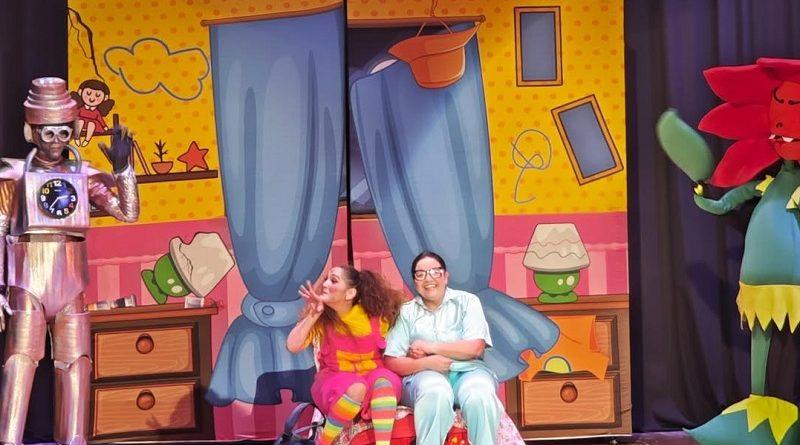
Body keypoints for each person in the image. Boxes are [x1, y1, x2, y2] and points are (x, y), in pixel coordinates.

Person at [0, 77, 138, 445]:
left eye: (63, 132)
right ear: (31, 132)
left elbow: (128, 213)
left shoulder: (83, 175)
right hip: (26, 282)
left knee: (76, 366)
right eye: (47, 133)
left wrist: (123, 171)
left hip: (71, 284)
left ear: (73, 130)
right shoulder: (15, 175)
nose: (55, 141)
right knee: (19, 363)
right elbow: (0, 229)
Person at [384, 251, 502, 445]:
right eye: (420, 274)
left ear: (446, 276)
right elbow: (391, 360)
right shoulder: (406, 311)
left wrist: (429, 346)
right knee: (435, 392)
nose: (428, 278)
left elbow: (475, 347)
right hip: (425, 375)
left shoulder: (467, 301)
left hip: (469, 371)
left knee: (480, 396)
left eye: (435, 272)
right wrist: (427, 363)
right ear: (414, 281)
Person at [287, 266, 404, 445]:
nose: (325, 284)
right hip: (335, 379)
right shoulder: (322, 318)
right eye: (326, 279)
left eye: (333, 280)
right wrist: (313, 315)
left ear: (350, 293)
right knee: (357, 388)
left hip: (373, 374)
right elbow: (293, 346)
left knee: (384, 384)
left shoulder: (377, 317)